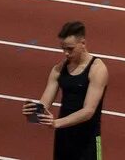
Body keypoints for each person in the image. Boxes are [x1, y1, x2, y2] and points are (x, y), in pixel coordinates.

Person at [28, 20, 107, 158]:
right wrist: (33, 112)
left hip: (88, 139)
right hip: (64, 137)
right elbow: (44, 105)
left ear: (83, 43)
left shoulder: (97, 70)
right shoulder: (58, 70)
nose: (65, 53)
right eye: (63, 48)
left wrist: (56, 122)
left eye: (70, 49)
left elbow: (88, 111)